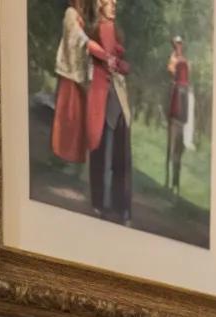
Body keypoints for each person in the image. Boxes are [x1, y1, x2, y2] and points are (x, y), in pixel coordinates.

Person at [85, 0, 132, 223]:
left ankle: (120, 206)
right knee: (99, 151)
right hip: (100, 96)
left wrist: (121, 65)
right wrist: (107, 57)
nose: (114, 5)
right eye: (110, 1)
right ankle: (98, 203)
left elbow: (124, 65)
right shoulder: (94, 30)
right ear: (99, 4)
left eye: (115, 2)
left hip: (118, 97)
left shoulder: (118, 31)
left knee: (121, 154)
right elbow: (89, 49)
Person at [50, 2, 90, 165]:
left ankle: (73, 156)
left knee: (76, 116)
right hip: (69, 71)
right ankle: (61, 154)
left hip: (77, 72)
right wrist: (88, 43)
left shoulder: (79, 15)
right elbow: (73, 37)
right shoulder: (70, 13)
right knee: (67, 114)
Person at [166, 36, 192, 195]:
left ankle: (176, 182)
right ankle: (169, 180)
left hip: (184, 101)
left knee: (179, 146)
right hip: (176, 100)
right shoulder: (173, 60)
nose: (178, 46)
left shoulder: (186, 61)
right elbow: (171, 72)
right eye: (176, 44)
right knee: (173, 144)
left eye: (180, 44)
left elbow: (187, 79)